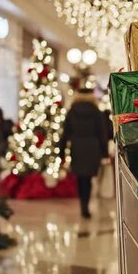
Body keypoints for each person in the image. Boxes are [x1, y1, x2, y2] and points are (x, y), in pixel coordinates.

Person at [58, 88, 108, 219]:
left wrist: (61, 152)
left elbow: (65, 133)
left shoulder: (72, 112)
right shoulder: (97, 112)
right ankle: (86, 206)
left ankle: (83, 205)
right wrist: (105, 153)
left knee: (81, 178)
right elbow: (102, 134)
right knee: (88, 178)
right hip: (93, 147)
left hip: (77, 147)